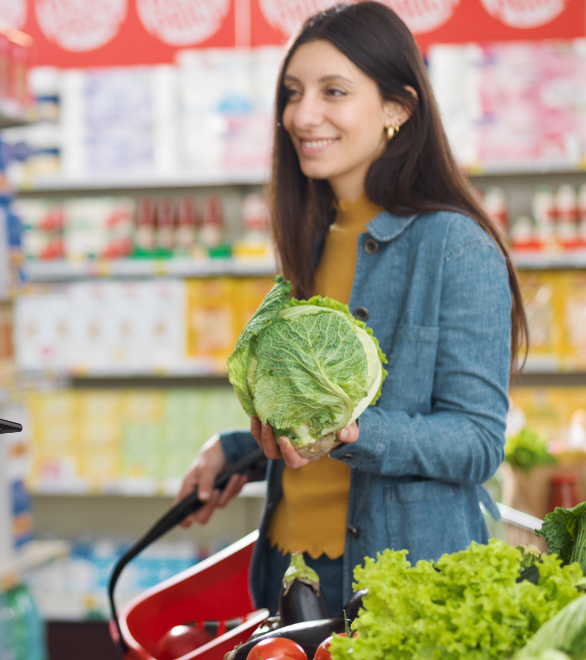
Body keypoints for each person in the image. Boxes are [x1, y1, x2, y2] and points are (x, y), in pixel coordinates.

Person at [177, 1, 526, 618]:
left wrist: (352, 433)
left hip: (400, 580)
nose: (302, 114)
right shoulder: (310, 239)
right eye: (292, 92)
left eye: (333, 91)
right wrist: (237, 448)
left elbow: (477, 441)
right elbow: (311, 417)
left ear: (398, 107)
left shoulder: (455, 246)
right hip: (289, 569)